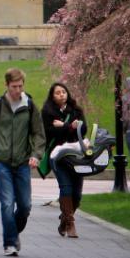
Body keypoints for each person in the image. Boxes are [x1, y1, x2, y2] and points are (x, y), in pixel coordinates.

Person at [0, 67, 46, 257]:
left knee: (25, 205)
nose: (17, 90)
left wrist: (36, 155)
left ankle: (13, 232)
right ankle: (10, 243)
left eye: (20, 86)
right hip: (1, 162)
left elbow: (39, 134)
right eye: (14, 86)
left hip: (23, 162)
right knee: (7, 202)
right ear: (6, 85)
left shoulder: (29, 106)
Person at [41, 82, 85, 238]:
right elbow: (50, 133)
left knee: (77, 194)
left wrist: (64, 126)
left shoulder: (76, 110)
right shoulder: (47, 112)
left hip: (75, 155)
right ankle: (71, 225)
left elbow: (83, 129)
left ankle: (64, 220)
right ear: (52, 96)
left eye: (63, 92)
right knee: (66, 188)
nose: (61, 95)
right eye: (57, 93)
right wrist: (70, 127)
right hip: (57, 156)